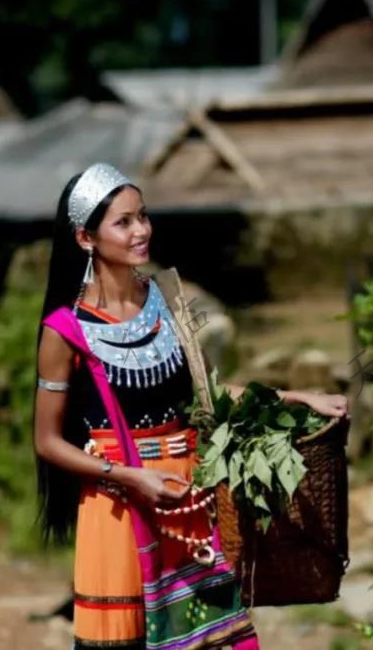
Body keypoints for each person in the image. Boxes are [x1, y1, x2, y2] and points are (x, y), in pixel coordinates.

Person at [33, 162, 349, 650]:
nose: (141, 231)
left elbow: (206, 392)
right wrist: (130, 477)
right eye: (123, 222)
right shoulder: (65, 330)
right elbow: (48, 441)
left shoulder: (166, 298)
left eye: (143, 216)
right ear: (85, 238)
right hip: (118, 508)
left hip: (189, 495)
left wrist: (297, 397)